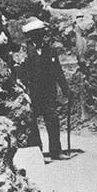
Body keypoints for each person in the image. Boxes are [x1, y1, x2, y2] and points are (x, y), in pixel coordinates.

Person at [21, 18, 71, 161]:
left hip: (48, 92)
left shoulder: (50, 49)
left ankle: (56, 151)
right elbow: (21, 72)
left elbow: (58, 72)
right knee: (32, 123)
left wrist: (65, 89)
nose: (41, 36)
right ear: (32, 34)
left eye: (41, 33)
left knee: (53, 120)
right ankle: (38, 152)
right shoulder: (25, 50)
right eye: (37, 33)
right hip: (33, 92)